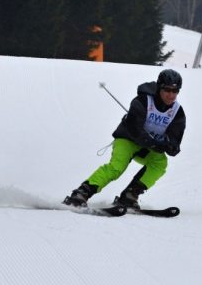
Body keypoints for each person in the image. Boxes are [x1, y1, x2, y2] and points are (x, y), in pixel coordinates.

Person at [64, 69, 186, 209]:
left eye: (175, 91)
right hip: (127, 140)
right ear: (159, 87)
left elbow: (175, 140)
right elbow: (135, 129)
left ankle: (130, 195)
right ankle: (82, 193)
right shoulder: (143, 101)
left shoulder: (177, 112)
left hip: (148, 146)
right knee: (117, 167)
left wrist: (171, 146)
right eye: (167, 90)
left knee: (160, 163)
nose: (171, 95)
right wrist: (154, 143)